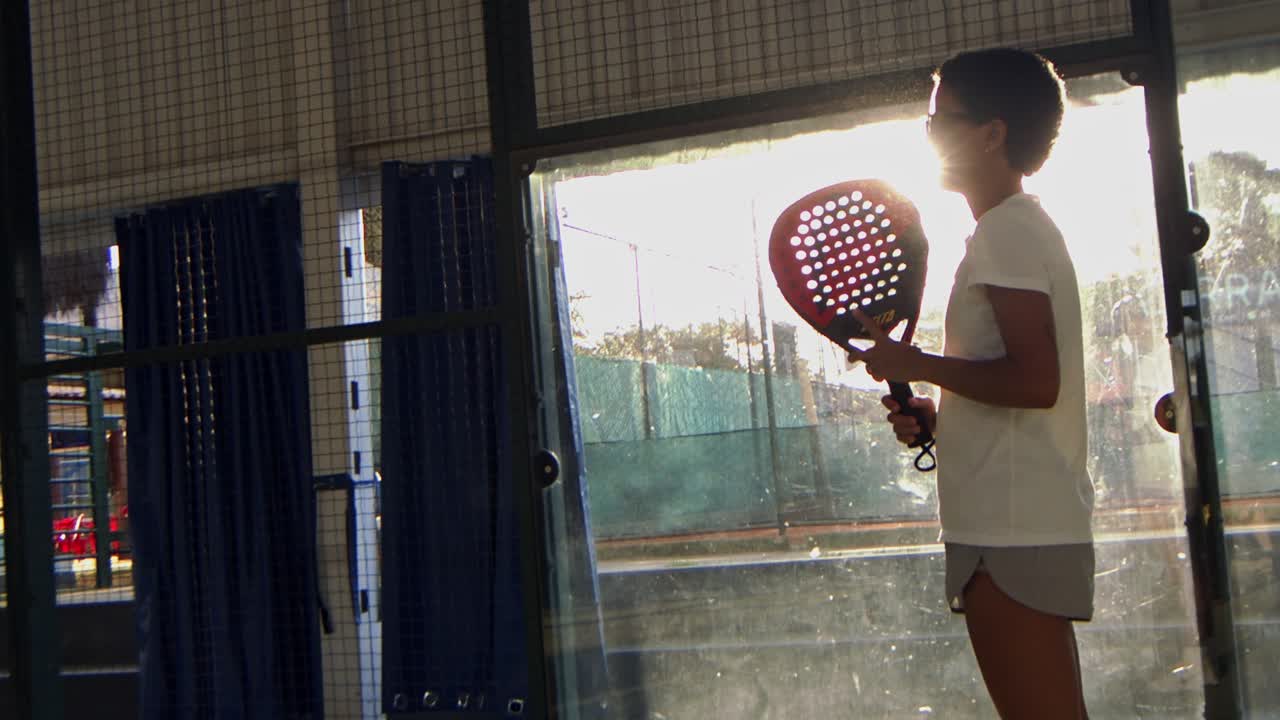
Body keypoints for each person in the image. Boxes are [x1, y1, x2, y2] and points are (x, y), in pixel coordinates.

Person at [845, 48, 1095, 719]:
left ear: (992, 133)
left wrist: (917, 365)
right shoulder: (1009, 228)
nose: (929, 136)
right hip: (1015, 523)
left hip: (1013, 533)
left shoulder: (1009, 232)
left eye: (939, 121)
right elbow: (1016, 382)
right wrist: (941, 413)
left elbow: (1036, 381)